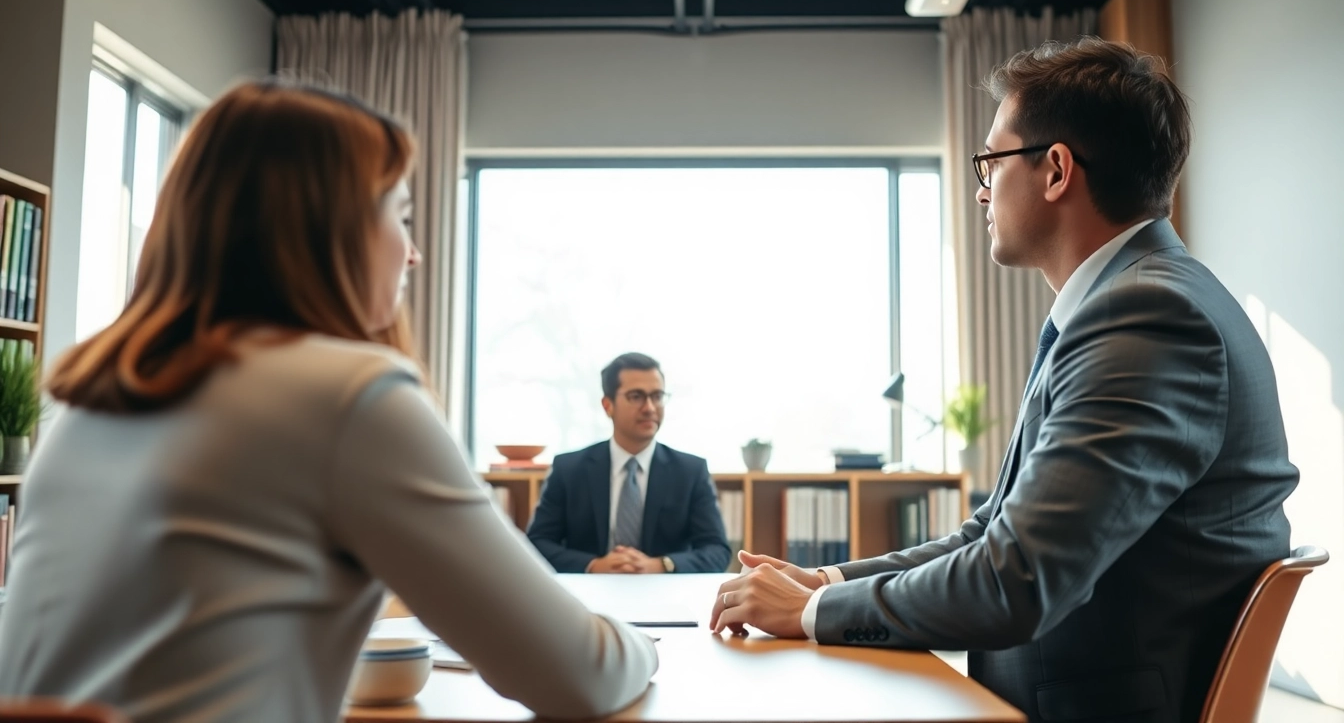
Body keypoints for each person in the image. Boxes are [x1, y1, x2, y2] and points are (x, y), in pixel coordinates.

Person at [0, 81, 657, 723]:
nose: (415, 254)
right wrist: (645, 647)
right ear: (329, 229)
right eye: (400, 217)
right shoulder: (351, 396)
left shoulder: (87, 409)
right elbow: (578, 673)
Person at [709, 38, 1299, 723]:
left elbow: (1015, 580)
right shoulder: (1128, 302)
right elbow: (991, 533)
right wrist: (829, 580)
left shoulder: (1147, 318)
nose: (982, 188)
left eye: (991, 161)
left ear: (1055, 170)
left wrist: (811, 612)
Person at [527, 353, 730, 574]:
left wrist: (661, 565)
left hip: (665, 593)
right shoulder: (569, 469)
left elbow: (717, 550)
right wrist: (594, 565)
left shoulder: (690, 471)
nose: (650, 408)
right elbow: (537, 543)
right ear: (607, 405)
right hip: (589, 594)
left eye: (657, 396)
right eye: (636, 396)